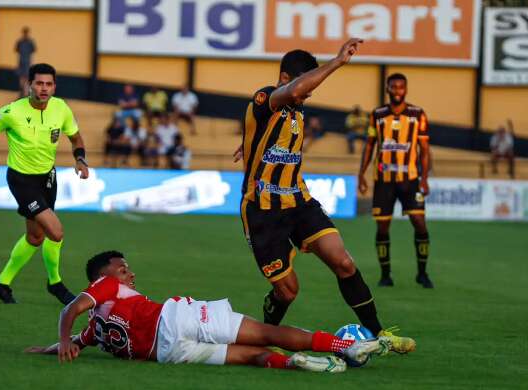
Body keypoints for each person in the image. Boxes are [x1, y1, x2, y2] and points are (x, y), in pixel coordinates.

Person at [232, 40, 415, 354]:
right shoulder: (266, 97)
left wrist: (249, 145)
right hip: (263, 210)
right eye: (305, 85)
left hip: (299, 202)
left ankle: (379, 334)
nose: (308, 94)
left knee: (343, 262)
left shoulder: (296, 108)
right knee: (288, 292)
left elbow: (273, 133)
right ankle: (264, 337)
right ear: (286, 77)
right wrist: (336, 63)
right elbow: (289, 94)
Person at [26, 251, 391, 372]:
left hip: (169, 354)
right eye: (123, 269)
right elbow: (71, 309)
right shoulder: (104, 289)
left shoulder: (97, 330)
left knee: (254, 356)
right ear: (103, 277)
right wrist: (61, 339)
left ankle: (296, 363)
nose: (130, 273)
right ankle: (345, 347)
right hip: (175, 319)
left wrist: (55, 346)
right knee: (268, 333)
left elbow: (80, 333)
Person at [0, 63, 89, 305]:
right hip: (21, 180)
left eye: (49, 84)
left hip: (47, 178)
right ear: (28, 84)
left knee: (35, 237)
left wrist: (80, 159)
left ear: (54, 86)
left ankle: (2, 283)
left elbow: (75, 136)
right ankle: (55, 283)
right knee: (56, 231)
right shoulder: (11, 112)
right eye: (39, 83)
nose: (44, 89)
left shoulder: (61, 108)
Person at [358, 73, 433, 289]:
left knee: (420, 224)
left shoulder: (418, 114)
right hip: (384, 180)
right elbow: (370, 144)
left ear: (406, 90)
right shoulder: (377, 115)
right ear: (388, 89)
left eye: (401, 87)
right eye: (394, 87)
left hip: (410, 180)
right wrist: (361, 173)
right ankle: (385, 275)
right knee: (382, 227)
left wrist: (425, 178)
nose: (397, 90)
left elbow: (425, 150)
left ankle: (422, 273)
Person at [15, 27, 36, 97]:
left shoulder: (31, 42)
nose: (25, 34)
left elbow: (33, 52)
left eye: (26, 32)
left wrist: (32, 63)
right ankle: (21, 93)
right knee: (21, 78)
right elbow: (17, 51)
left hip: (28, 63)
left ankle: (26, 94)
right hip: (21, 62)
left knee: (27, 79)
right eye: (24, 32)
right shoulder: (19, 42)